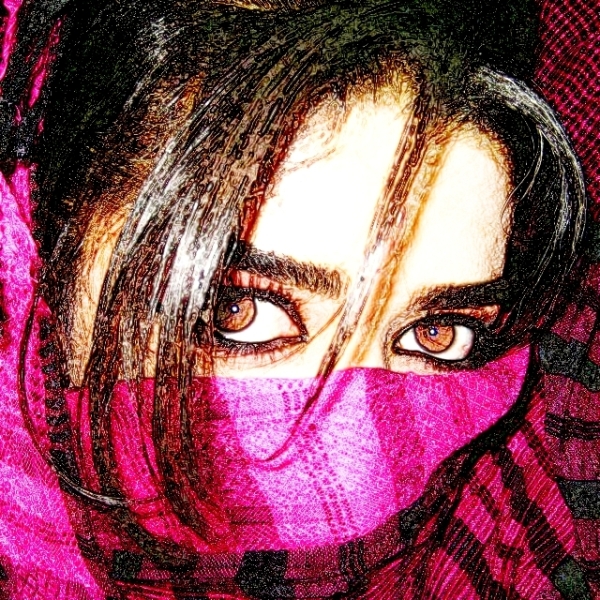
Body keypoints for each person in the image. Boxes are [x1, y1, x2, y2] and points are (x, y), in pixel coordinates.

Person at [0, 0, 597, 598]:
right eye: (237, 312)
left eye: (435, 333)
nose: (357, 479)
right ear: (44, 242)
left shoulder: (543, 463)